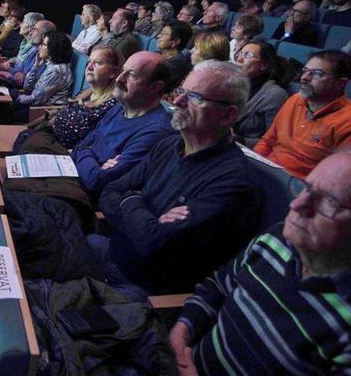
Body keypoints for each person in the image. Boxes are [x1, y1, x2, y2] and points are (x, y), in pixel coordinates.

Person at [169, 148, 351, 376]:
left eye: (330, 201)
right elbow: (219, 286)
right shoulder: (280, 237)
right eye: (306, 187)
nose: (297, 204)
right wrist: (184, 328)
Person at [91, 61, 257, 300]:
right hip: (110, 250)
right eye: (181, 92)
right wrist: (140, 211)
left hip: (144, 292)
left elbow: (154, 243)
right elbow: (110, 192)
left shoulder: (235, 182)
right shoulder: (169, 144)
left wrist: (129, 200)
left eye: (195, 97)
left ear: (228, 115)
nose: (177, 102)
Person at [255, 50, 351, 177]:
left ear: (340, 83)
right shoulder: (295, 100)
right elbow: (268, 141)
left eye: (317, 74)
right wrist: (253, 164)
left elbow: (339, 181)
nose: (304, 77)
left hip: (300, 189)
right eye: (305, 70)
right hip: (266, 173)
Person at [70, 51, 175, 194]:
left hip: (83, 198)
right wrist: (87, 154)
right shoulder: (119, 107)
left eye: (131, 75)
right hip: (73, 175)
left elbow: (97, 181)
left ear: (155, 87)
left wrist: (84, 153)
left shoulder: (156, 132)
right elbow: (80, 146)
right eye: (123, 70)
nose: (119, 79)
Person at [49, 45, 124, 149]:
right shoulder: (85, 93)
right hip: (51, 138)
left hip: (67, 156)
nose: (89, 67)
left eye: (97, 62)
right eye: (89, 62)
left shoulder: (112, 107)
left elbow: (97, 144)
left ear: (113, 72)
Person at [233, 40, 289, 147]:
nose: (239, 59)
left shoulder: (275, 95)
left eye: (248, 55)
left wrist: (239, 140)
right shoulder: (230, 83)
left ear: (264, 65)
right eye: (240, 54)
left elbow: (273, 140)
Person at [17, 30, 74, 108]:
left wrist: (17, 98)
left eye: (43, 45)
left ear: (53, 49)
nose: (40, 47)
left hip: (42, 111)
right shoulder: (49, 64)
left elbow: (36, 100)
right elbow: (27, 88)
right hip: (35, 106)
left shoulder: (56, 71)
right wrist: (36, 65)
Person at [156, 19, 194, 90]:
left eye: (164, 34)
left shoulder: (177, 64)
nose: (158, 36)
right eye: (161, 33)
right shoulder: (157, 53)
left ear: (175, 42)